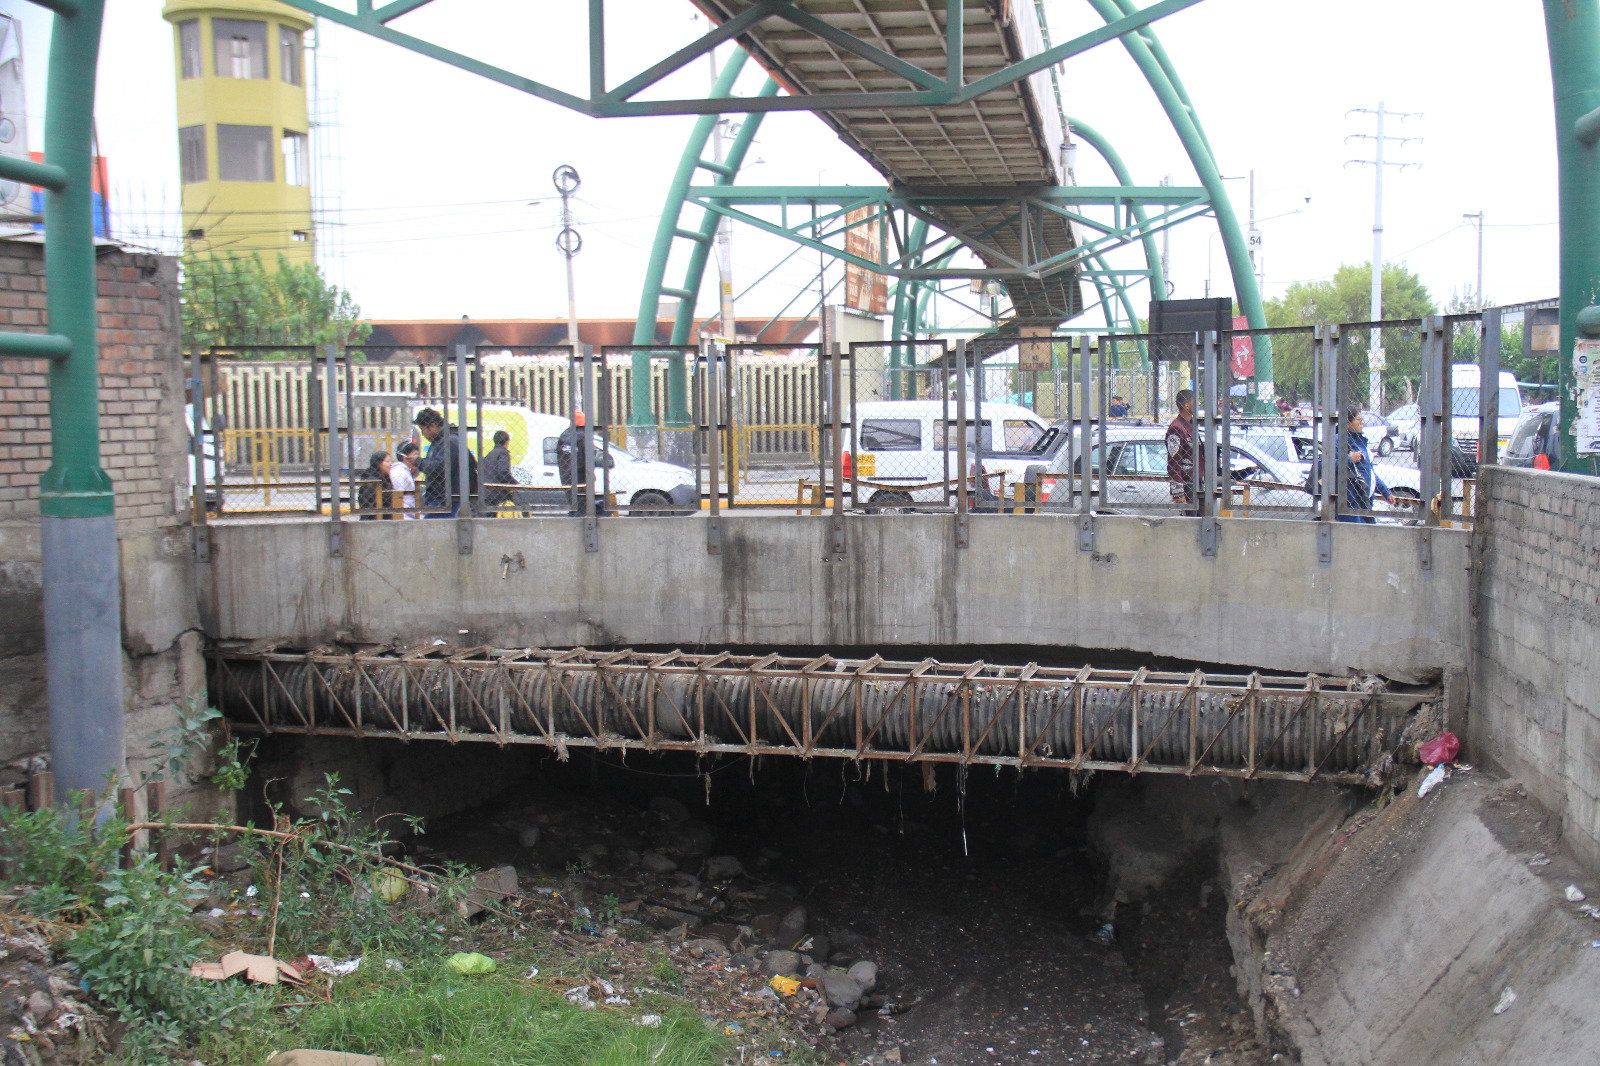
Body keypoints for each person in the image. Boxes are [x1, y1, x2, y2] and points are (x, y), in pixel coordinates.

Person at [414, 407, 478, 517]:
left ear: (432, 426)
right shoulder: (440, 441)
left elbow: (439, 468)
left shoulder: (449, 442)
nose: (423, 434)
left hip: (447, 498)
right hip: (442, 497)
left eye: (423, 429)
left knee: (431, 529)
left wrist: (419, 462)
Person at [1338, 405, 1396, 523]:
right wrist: (1350, 459)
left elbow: (1369, 472)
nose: (1362, 422)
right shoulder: (1340, 440)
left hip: (1364, 500)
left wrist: (1386, 492)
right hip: (1351, 501)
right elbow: (1326, 464)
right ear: (1348, 422)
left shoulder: (1360, 442)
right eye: (1359, 420)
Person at [1165, 388, 1203, 513]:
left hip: (1197, 482)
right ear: (1187, 405)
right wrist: (1178, 493)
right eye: (1196, 401)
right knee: (1192, 525)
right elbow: (1173, 462)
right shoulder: (1177, 428)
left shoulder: (1191, 425)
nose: (1199, 404)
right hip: (1187, 485)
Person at [557, 410, 594, 515]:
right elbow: (589, 456)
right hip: (582, 477)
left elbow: (559, 456)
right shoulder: (584, 437)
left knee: (574, 505)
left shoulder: (563, 437)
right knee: (584, 508)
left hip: (566, 477)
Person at [480, 429, 516, 511]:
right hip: (497, 494)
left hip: (486, 492)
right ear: (506, 442)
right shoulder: (503, 453)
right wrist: (514, 484)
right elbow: (503, 472)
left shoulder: (489, 454)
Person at [356, 450, 390, 519]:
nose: (390, 464)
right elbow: (367, 505)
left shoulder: (385, 479)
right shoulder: (371, 482)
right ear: (378, 464)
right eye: (387, 462)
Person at [391, 440, 419, 519]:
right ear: (405, 457)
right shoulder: (398, 472)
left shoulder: (405, 470)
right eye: (415, 455)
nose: (418, 458)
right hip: (404, 516)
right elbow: (397, 496)